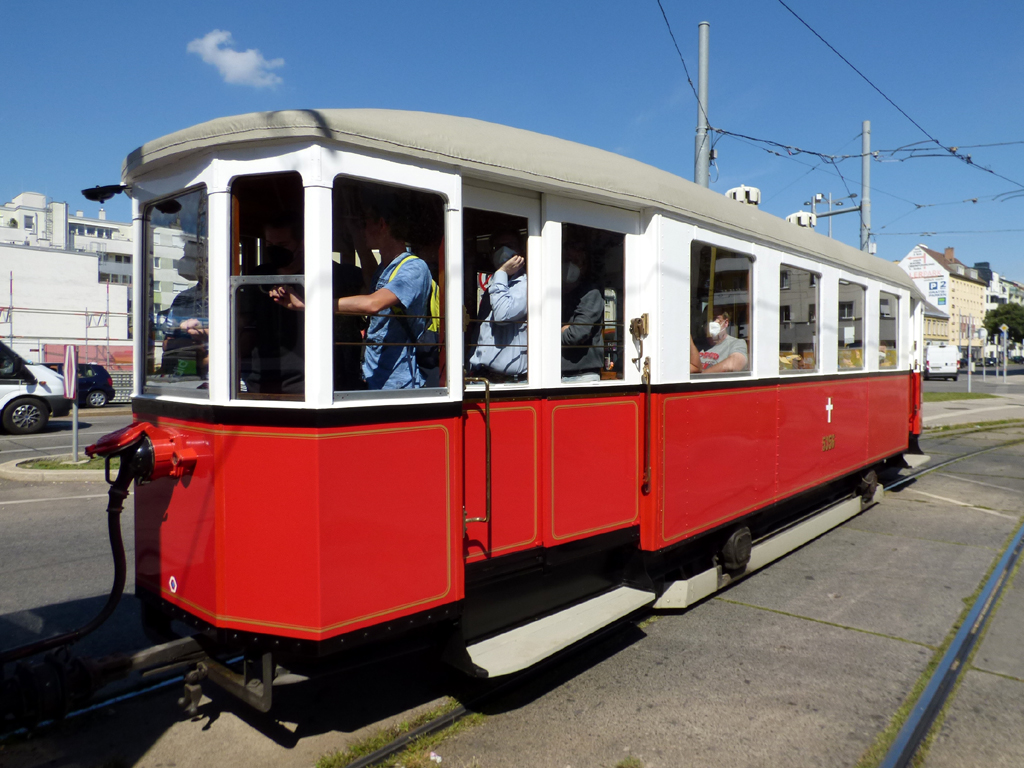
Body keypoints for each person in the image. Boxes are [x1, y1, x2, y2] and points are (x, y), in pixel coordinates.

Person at [272, 190, 432, 390]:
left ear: (381, 224)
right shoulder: (386, 269)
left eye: (365, 224)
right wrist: (356, 236)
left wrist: (309, 305)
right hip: (376, 377)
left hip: (398, 383)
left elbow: (373, 303)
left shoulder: (414, 268)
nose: (363, 230)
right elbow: (369, 284)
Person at [468, 231, 527, 382]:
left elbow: (503, 315)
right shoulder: (495, 285)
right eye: (499, 246)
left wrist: (502, 272)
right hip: (484, 376)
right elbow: (482, 327)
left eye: (510, 246)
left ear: (520, 252)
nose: (504, 250)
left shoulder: (526, 284)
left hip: (510, 382)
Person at [560, 238, 604, 382]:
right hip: (556, 374)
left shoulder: (591, 293)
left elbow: (577, 334)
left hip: (582, 376)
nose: (569, 266)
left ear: (584, 266)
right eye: (566, 260)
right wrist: (563, 329)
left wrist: (550, 334)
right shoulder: (555, 294)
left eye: (575, 261)